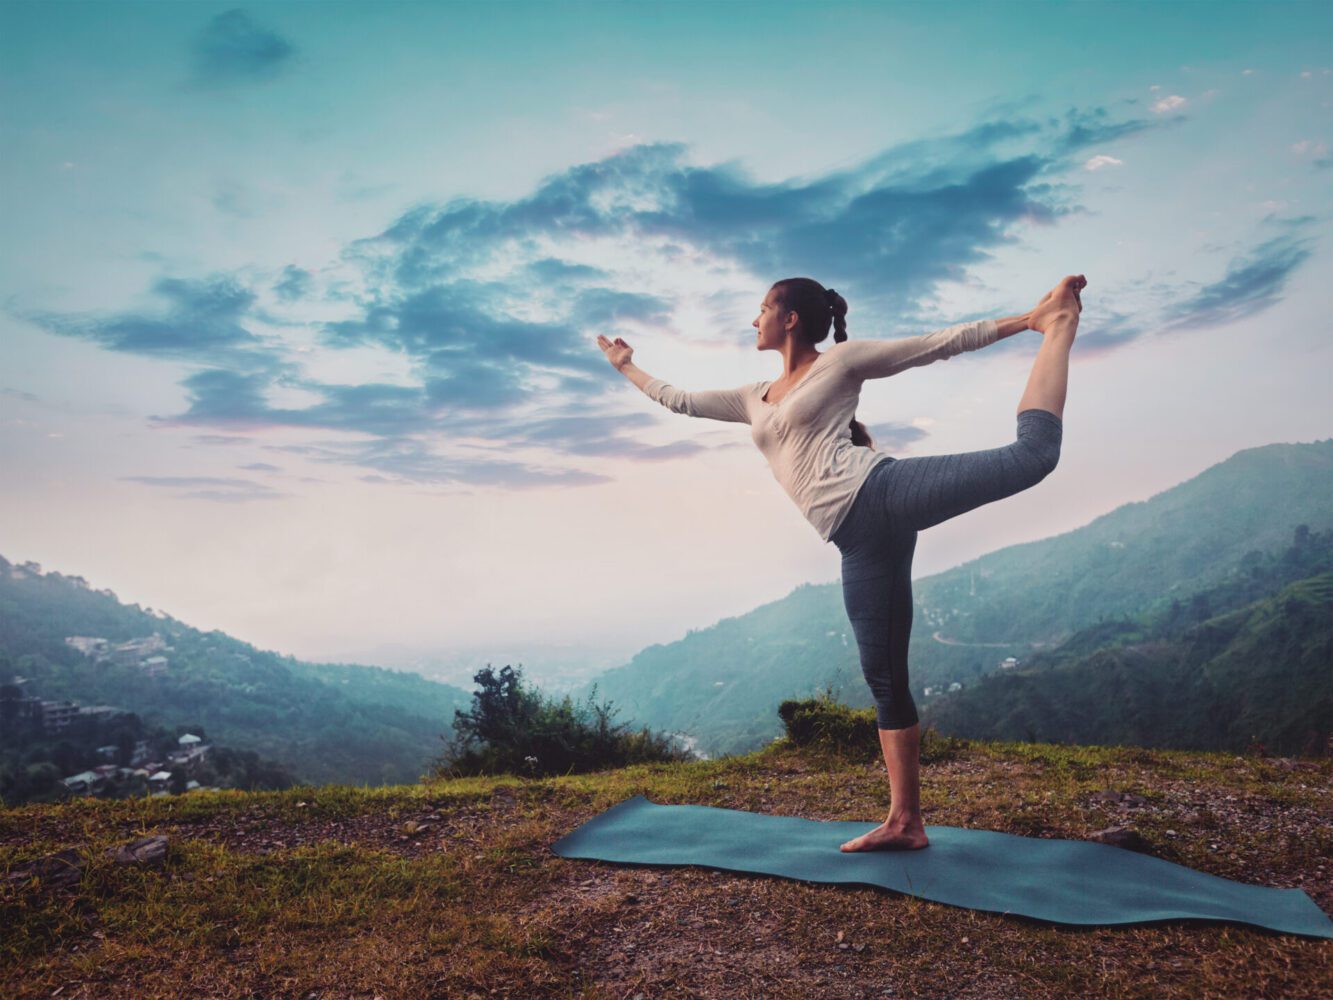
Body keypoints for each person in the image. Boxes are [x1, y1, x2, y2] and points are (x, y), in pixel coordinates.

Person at [596, 274, 1085, 851]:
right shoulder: (752, 396)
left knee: (1031, 457)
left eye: (761, 309)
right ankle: (906, 822)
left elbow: (938, 343)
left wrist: (1027, 320)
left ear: (790, 318)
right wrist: (627, 366)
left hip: (881, 492)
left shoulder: (842, 363)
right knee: (884, 677)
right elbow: (677, 399)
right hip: (857, 540)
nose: (754, 321)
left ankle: (1058, 326)